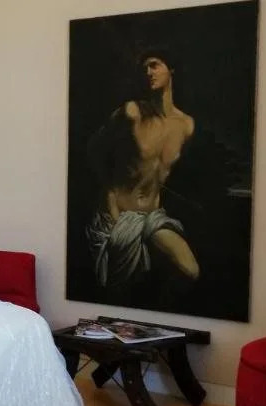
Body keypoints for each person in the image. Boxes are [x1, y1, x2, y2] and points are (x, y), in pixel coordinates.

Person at [86, 45, 200, 290]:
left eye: (154, 65)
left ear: (171, 69)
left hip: (153, 217)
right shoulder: (133, 112)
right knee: (122, 291)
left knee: (190, 270)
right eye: (144, 68)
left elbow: (163, 172)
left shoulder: (186, 125)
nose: (148, 72)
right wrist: (112, 204)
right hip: (119, 215)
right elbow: (95, 150)